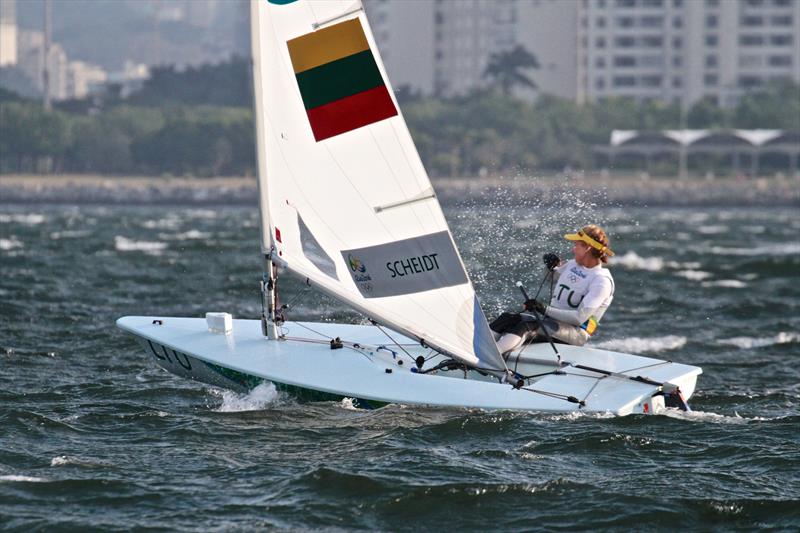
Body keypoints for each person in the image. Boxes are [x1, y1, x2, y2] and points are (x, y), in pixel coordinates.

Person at [491, 224, 615, 353]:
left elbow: (579, 318)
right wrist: (549, 265)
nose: (573, 250)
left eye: (576, 245)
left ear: (587, 248)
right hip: (551, 323)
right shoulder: (573, 265)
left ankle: (489, 358)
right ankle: (475, 351)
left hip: (576, 333)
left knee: (526, 326)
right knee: (507, 318)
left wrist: (543, 309)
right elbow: (550, 278)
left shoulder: (601, 281)